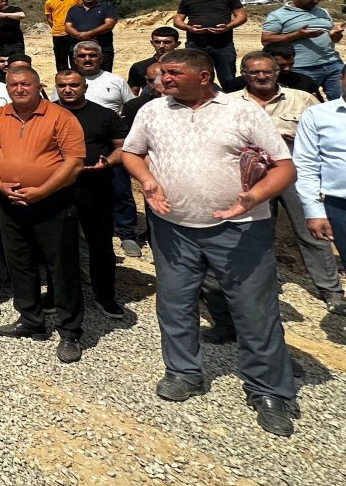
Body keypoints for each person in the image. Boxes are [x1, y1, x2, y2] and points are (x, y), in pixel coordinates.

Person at [123, 48, 304, 436]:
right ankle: (184, 372)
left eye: (172, 74)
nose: (163, 80)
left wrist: (254, 197)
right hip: (172, 227)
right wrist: (147, 179)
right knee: (175, 304)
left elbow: (283, 166)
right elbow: (132, 153)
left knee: (254, 310)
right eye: (161, 74)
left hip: (240, 229)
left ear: (204, 77)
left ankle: (269, 390)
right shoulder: (152, 111)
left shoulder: (242, 111)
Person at [228, 53, 345, 314]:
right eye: (254, 72)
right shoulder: (229, 102)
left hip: (296, 174)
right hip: (252, 177)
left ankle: (330, 289)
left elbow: (319, 134)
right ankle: (263, 286)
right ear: (243, 74)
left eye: (267, 72)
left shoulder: (302, 99)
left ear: (277, 72)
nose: (261, 77)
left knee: (312, 231)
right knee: (257, 232)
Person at [0, 67, 86, 363]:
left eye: (25, 83)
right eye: (13, 84)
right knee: (19, 262)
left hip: (52, 203)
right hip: (10, 202)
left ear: (38, 86)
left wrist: (42, 190)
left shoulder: (60, 117)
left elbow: (74, 163)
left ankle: (69, 332)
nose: (19, 89)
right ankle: (31, 320)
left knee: (62, 267)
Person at [52, 69, 128, 318]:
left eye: (74, 85)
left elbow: (122, 147)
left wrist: (108, 163)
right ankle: (56, 294)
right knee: (57, 245)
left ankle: (105, 296)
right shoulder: (45, 113)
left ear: (85, 87)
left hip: (95, 188)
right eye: (62, 85)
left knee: (101, 245)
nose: (68, 90)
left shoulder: (104, 115)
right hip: (57, 189)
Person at [260, 0, 344, 101]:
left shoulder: (323, 12)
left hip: (333, 64)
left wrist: (336, 34)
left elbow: (334, 39)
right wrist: (298, 35)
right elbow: (266, 40)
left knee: (342, 101)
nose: (315, 1)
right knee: (301, 102)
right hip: (301, 67)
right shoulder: (278, 15)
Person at [293, 95, 346, 282]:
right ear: (342, 79)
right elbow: (306, 164)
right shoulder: (317, 115)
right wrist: (314, 210)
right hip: (340, 205)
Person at [174, 0, 246, 91]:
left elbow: (242, 15)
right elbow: (177, 20)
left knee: (228, 77)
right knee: (195, 76)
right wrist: (189, 28)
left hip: (223, 45)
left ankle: (229, 102)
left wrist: (228, 27)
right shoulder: (188, 0)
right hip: (196, 44)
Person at [64, 0, 119, 71]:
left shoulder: (106, 7)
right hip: (78, 50)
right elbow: (67, 27)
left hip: (103, 49)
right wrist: (80, 35)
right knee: (78, 76)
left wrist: (88, 34)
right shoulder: (73, 9)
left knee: (103, 76)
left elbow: (109, 25)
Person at [127, 27, 180, 96]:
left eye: (167, 42)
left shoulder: (185, 65)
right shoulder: (139, 67)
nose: (161, 46)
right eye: (157, 42)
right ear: (152, 43)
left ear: (177, 44)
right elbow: (133, 93)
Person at [44, 0, 83, 72]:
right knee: (61, 60)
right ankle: (62, 79)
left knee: (75, 57)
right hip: (58, 34)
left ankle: (77, 77)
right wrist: (55, 27)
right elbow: (49, 18)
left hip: (73, 33)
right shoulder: (49, 2)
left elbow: (82, 13)